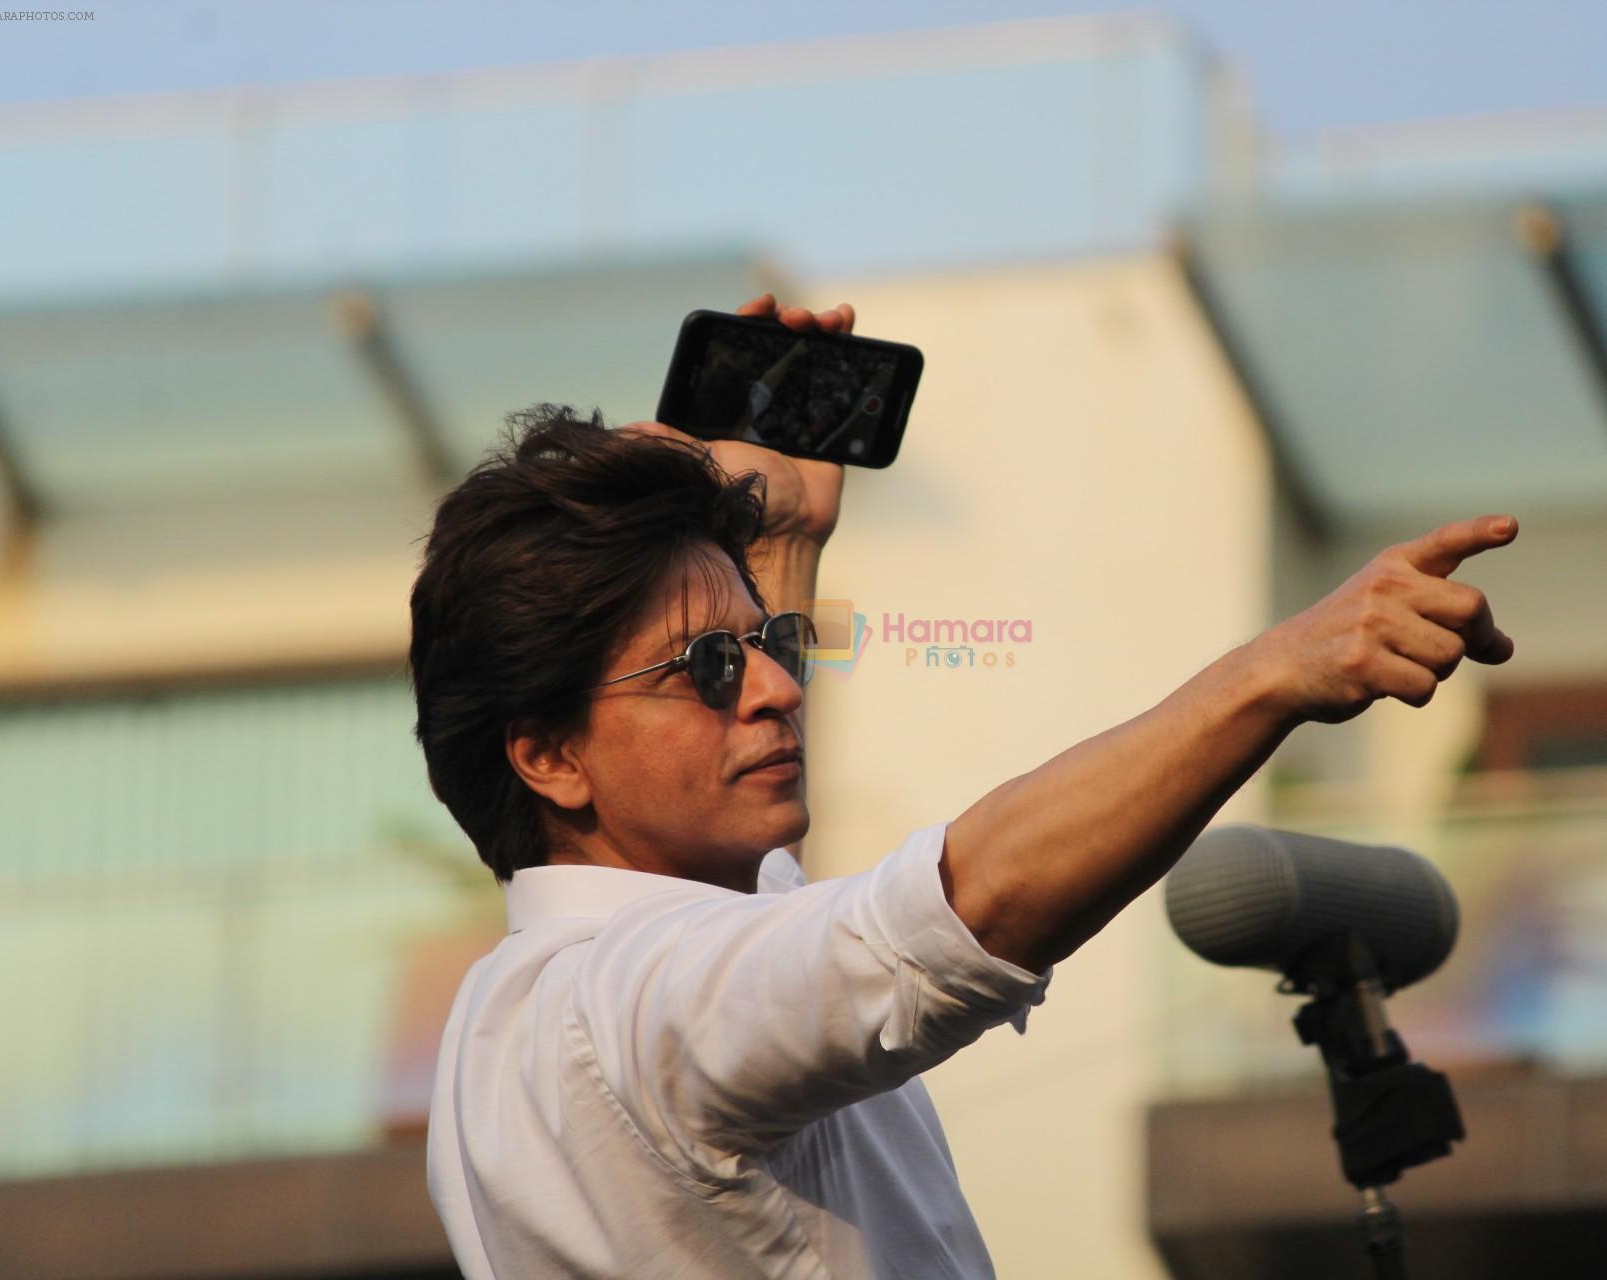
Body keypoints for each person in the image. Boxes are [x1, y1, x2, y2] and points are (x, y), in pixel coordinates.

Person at [408, 294, 1518, 1279]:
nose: (777, 691)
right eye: (704, 666)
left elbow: (788, 928)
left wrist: (784, 537)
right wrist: (1276, 670)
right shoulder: (624, 1003)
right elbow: (947, 912)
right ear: (546, 753)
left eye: (776, 644)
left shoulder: (557, 998)